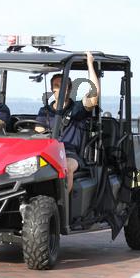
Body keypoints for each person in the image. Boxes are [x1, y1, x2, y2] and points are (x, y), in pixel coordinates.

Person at [36, 51, 100, 192]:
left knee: (66, 166)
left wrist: (90, 64)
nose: (60, 89)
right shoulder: (44, 111)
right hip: (48, 153)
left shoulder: (77, 108)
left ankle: (64, 203)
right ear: (52, 89)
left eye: (64, 85)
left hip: (69, 153)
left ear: (69, 89)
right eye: (57, 86)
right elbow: (38, 133)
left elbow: (94, 96)